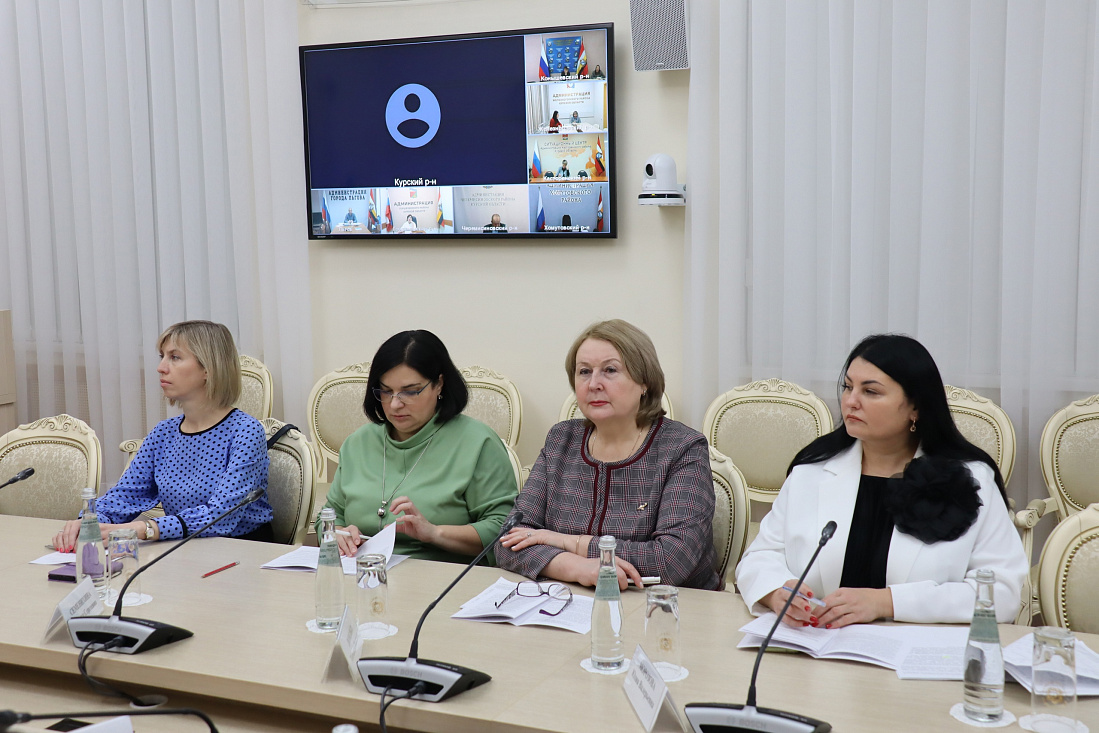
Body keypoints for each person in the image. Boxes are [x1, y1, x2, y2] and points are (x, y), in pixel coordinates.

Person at [735, 334, 1028, 627]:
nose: (851, 401)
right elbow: (761, 556)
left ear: (915, 407)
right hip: (818, 644)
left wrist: (886, 602)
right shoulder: (812, 470)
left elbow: (1001, 594)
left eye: (870, 391)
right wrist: (776, 593)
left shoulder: (970, 479)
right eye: (848, 387)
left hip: (917, 648)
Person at [497, 319, 719, 590]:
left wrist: (568, 542)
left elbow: (669, 562)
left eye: (610, 370)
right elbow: (508, 541)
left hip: (664, 605)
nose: (593, 384)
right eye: (584, 371)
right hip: (568, 599)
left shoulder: (682, 448)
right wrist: (575, 567)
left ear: (645, 381)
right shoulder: (561, 440)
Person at [52, 321, 273, 551]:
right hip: (182, 549)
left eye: (175, 357)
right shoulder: (164, 433)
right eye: (162, 356)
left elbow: (220, 516)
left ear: (208, 369)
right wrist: (88, 521)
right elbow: (126, 496)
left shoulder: (246, 432)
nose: (161, 367)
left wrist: (146, 528)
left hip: (242, 551)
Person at [321, 330, 517, 564]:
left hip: (442, 577)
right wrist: (338, 533)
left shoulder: (478, 442)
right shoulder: (358, 443)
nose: (395, 404)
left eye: (410, 391)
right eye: (386, 391)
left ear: (439, 384)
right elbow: (329, 516)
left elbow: (504, 528)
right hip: (360, 573)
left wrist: (435, 533)